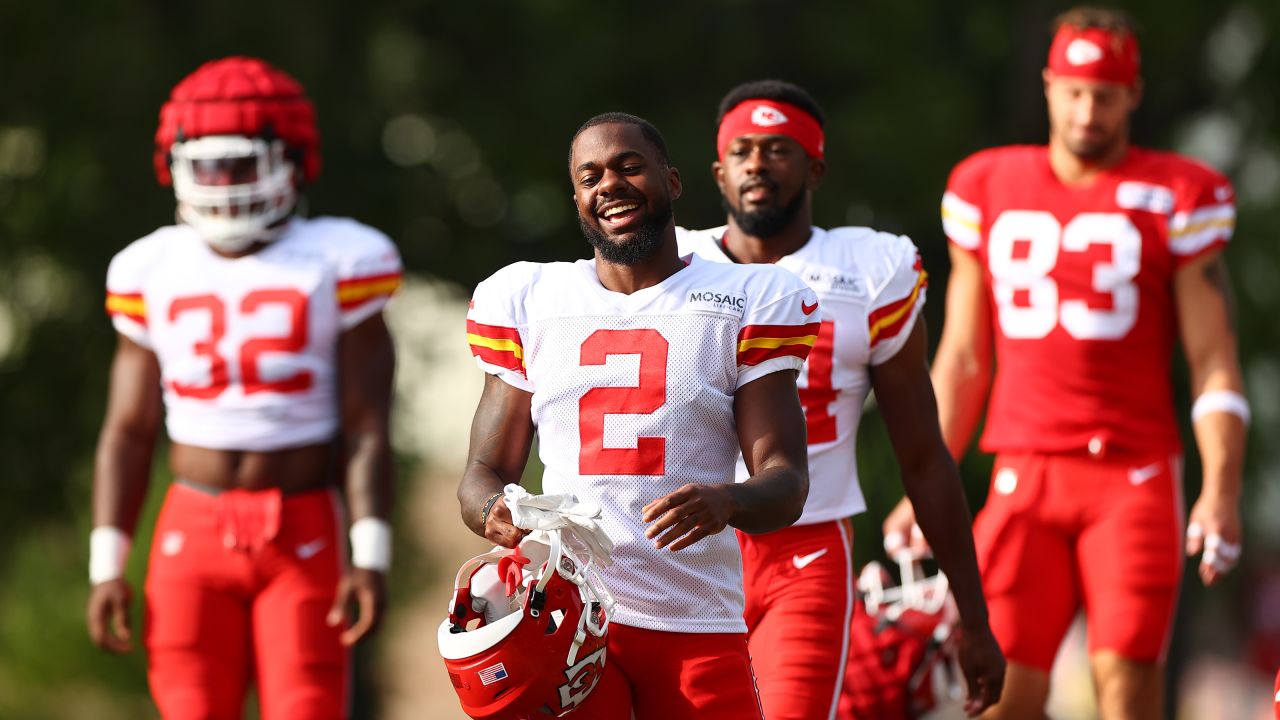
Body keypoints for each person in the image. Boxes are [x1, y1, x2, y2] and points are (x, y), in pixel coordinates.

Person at [885, 8, 1248, 718]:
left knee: (1128, 688)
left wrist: (1222, 489)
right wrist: (922, 487)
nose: (1087, 111)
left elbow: (1215, 362)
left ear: (1132, 95)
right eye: (1075, 91)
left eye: (1105, 94)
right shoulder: (987, 185)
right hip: (1026, 472)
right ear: (1050, 86)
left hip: (1133, 474)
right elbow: (962, 358)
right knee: (1000, 695)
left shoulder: (1178, 195)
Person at [457, 112, 816, 719]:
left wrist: (727, 501)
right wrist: (500, 514)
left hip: (695, 623)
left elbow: (786, 483)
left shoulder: (746, 298)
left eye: (629, 167)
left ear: (672, 181)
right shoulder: (529, 299)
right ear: (576, 198)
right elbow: (480, 475)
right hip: (569, 624)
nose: (610, 186)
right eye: (590, 176)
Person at [678, 79, 1005, 720]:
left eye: (778, 149)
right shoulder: (673, 265)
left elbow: (923, 455)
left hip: (807, 548)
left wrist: (973, 618)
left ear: (814, 167)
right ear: (719, 172)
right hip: (687, 552)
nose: (757, 164)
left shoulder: (870, 271)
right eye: (742, 150)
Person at [87, 56, 401, 719]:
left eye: (241, 163)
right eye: (205, 164)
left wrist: (370, 553)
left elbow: (368, 426)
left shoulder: (341, 257)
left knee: (307, 706)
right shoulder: (150, 266)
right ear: (174, 165)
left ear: (291, 160)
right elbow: (129, 429)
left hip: (303, 523)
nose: (223, 183)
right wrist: (105, 562)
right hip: (191, 524)